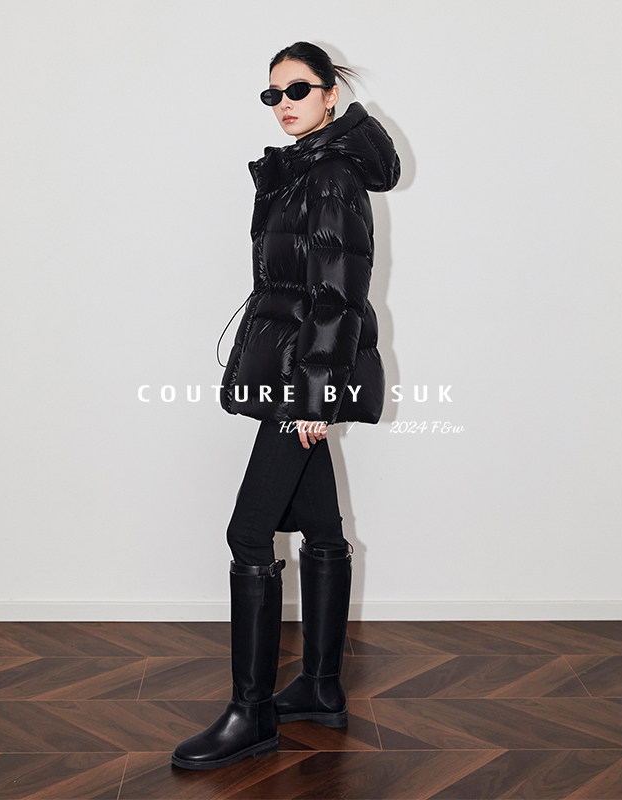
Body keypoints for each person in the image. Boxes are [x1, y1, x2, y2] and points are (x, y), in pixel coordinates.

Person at [171, 41, 401, 770]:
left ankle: (252, 714)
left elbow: (337, 293)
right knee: (322, 529)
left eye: (298, 89)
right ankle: (321, 690)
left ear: (331, 94)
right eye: (272, 94)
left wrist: (315, 395)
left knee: (249, 534)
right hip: (292, 372)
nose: (284, 104)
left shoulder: (329, 175)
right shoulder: (305, 168)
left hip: (300, 381)